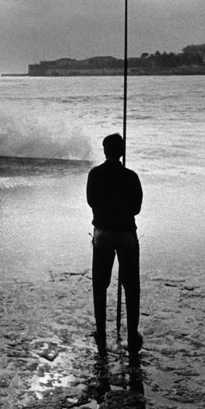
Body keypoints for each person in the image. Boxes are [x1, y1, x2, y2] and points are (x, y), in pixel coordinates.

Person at [86, 133, 143, 351]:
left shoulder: (95, 174)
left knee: (99, 284)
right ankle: (132, 334)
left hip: (103, 233)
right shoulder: (130, 176)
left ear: (105, 150)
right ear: (121, 152)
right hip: (126, 233)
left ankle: (101, 332)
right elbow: (136, 208)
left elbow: (91, 201)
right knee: (131, 286)